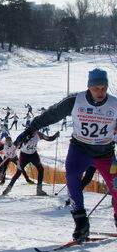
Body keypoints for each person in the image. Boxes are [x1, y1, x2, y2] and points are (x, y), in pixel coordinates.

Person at [14, 68, 117, 239]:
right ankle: (81, 224)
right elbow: (51, 115)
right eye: (96, 88)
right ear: (88, 87)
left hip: (105, 153)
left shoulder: (114, 104)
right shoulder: (75, 101)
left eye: (103, 88)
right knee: (72, 179)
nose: (100, 92)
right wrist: (30, 129)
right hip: (80, 150)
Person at [2, 130, 59, 196]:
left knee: (41, 169)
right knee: (19, 172)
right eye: (33, 129)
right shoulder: (24, 134)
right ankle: (8, 188)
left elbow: (49, 138)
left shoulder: (39, 134)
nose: (34, 131)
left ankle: (39, 190)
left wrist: (55, 136)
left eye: (36, 129)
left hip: (33, 155)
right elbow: (16, 143)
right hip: (24, 156)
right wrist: (21, 142)